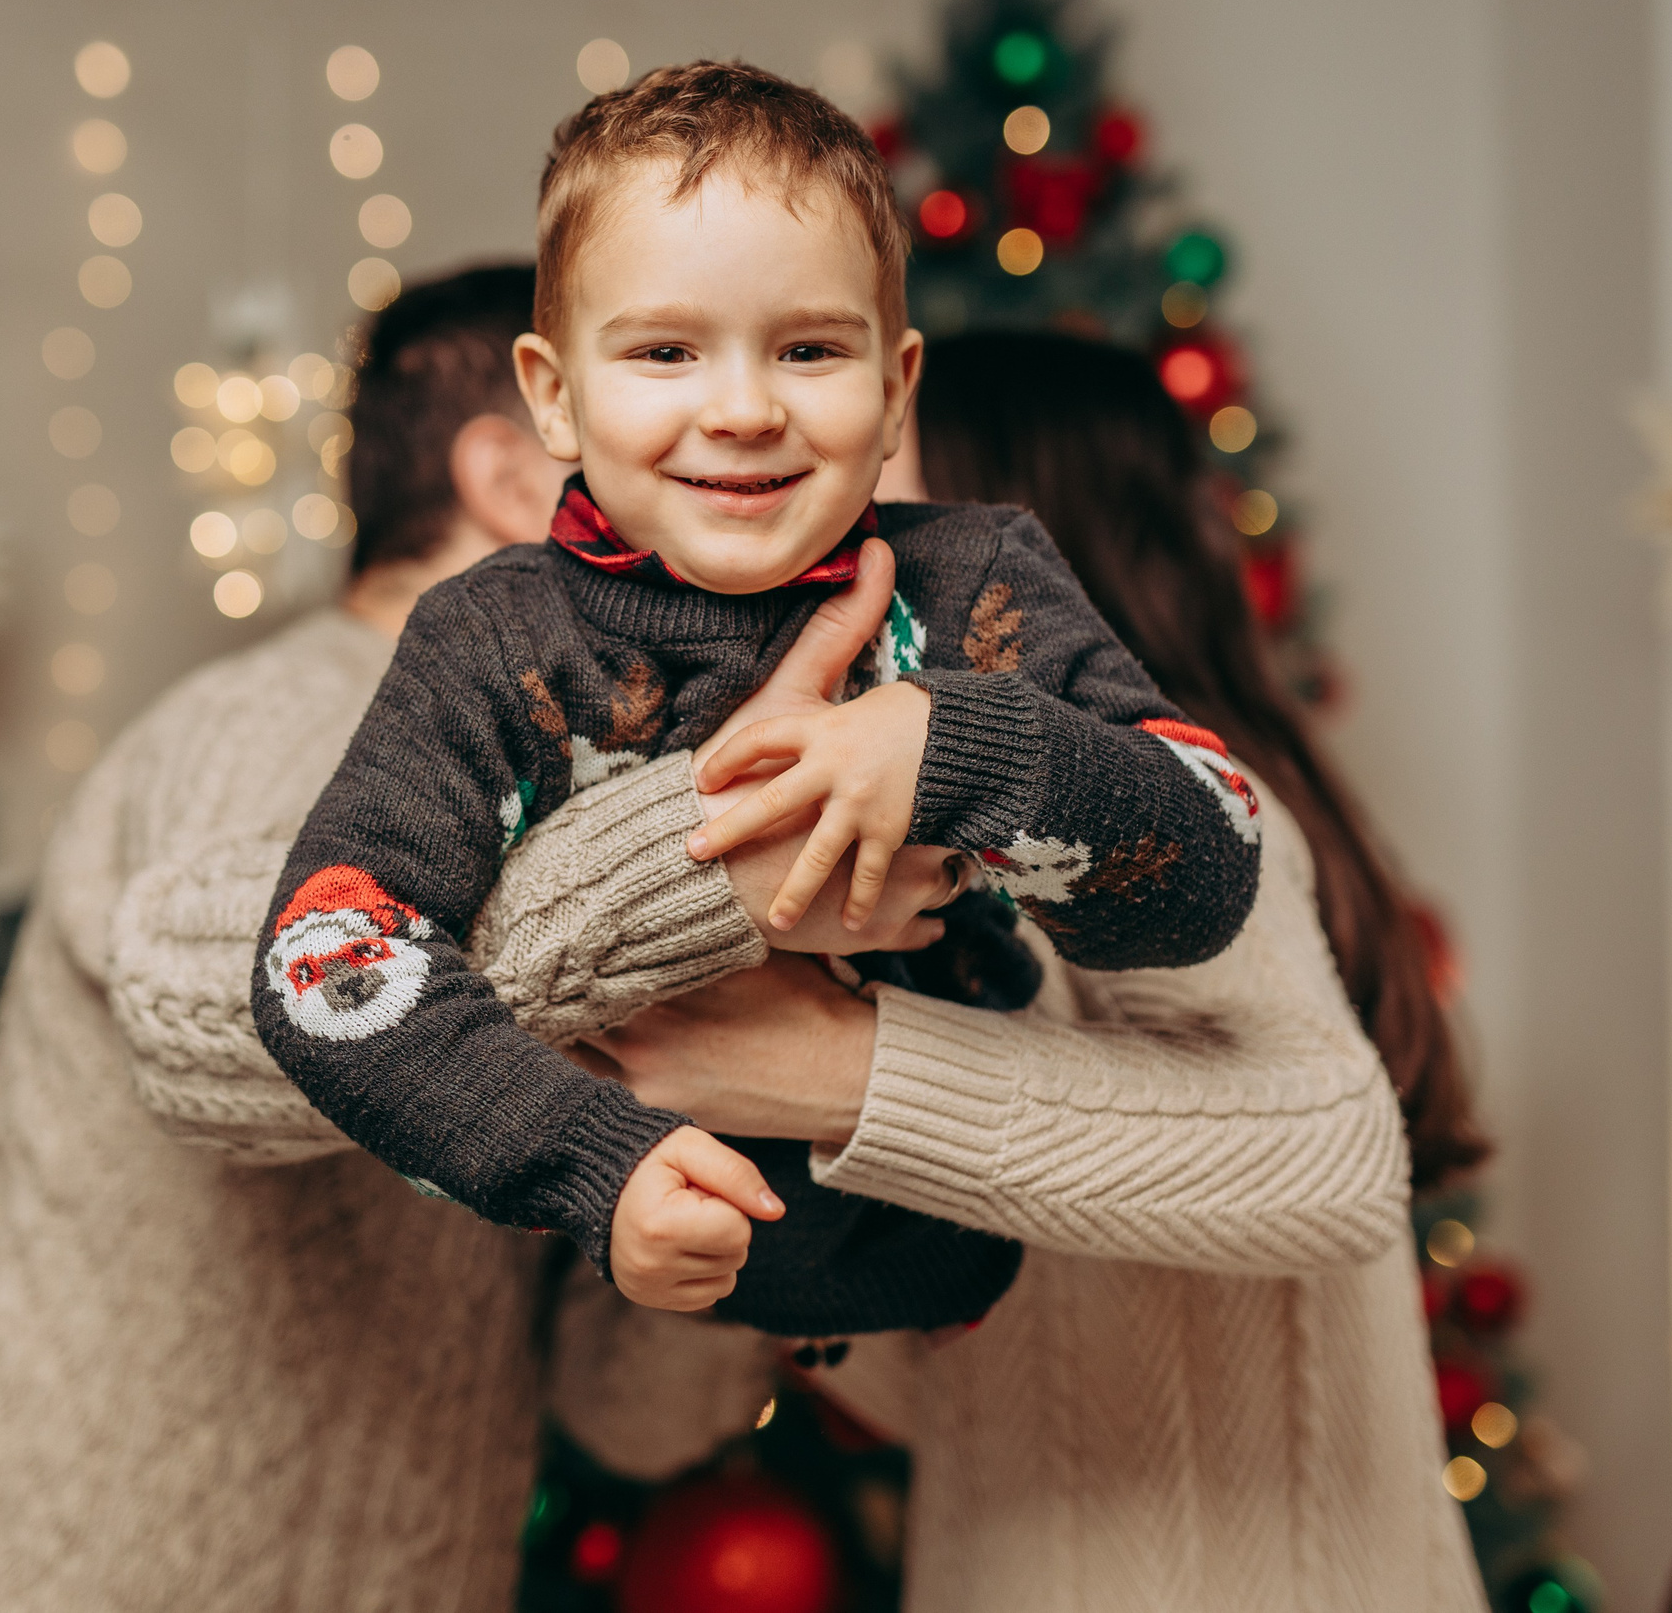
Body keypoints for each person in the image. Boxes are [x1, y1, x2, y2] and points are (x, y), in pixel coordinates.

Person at [0, 263, 785, 1613]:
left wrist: (788, 1103)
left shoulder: (545, 800)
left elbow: (631, 1415)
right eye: (657, 441)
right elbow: (226, 1024)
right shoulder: (293, 721)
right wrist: (685, 898)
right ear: (515, 480)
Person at [250, 62, 1264, 1336]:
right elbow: (321, 958)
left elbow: (1212, 857)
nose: (742, 409)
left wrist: (950, 744)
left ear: (895, 391)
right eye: (665, 351)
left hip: (969, 1259)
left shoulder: (975, 583)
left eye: (808, 349)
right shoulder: (493, 638)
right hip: (634, 1291)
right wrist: (589, 1166)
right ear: (555, 395)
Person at [580, 330, 1489, 1606]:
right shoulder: (902, 879)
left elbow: (1334, 1159)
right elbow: (905, 1381)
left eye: (884, 500)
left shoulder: (1160, 842)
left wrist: (843, 1075)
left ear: (1026, 557)